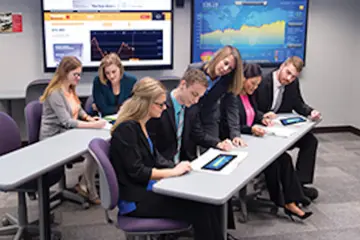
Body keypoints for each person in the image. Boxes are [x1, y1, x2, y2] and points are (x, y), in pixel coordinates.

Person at [109, 77, 225, 240]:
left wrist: (177, 168)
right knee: (200, 209)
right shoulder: (127, 129)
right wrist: (172, 173)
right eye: (160, 104)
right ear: (146, 103)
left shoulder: (140, 124)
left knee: (208, 203)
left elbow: (155, 158)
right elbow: (138, 172)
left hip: (147, 189)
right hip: (135, 200)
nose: (164, 107)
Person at [146, 68, 236, 230]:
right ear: (183, 85)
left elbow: (198, 134)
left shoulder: (192, 107)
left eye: (200, 97)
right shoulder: (159, 107)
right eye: (194, 95)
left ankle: (222, 233)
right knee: (204, 204)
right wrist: (173, 168)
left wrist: (217, 143)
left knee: (219, 190)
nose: (196, 100)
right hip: (164, 168)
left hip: (185, 164)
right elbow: (151, 150)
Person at [220, 63, 312, 221]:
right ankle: (286, 201)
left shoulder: (248, 96)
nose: (255, 88)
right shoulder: (231, 98)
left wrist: (262, 117)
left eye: (257, 84)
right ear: (243, 79)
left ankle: (292, 200)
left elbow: (253, 114)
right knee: (275, 161)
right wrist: (252, 129)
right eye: (253, 83)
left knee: (284, 158)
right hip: (238, 143)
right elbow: (231, 127)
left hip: (251, 140)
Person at [39, 56, 107, 205]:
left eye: (79, 74)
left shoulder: (69, 89)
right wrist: (93, 126)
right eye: (75, 74)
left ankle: (83, 185)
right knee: (92, 152)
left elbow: (78, 109)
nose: (78, 78)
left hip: (68, 134)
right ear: (64, 73)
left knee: (96, 148)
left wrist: (89, 118)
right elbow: (67, 122)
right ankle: (90, 191)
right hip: (54, 138)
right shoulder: (55, 93)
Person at [254, 56, 321, 202]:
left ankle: (299, 184)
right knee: (283, 156)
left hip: (280, 128)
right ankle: (291, 189)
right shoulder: (262, 80)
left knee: (310, 141)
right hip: (260, 128)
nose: (289, 78)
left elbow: (298, 103)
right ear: (282, 66)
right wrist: (263, 116)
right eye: (288, 73)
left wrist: (310, 112)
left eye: (293, 76)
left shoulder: (292, 83)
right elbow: (250, 108)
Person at [187, 45, 246, 156]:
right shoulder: (194, 70)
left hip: (209, 118)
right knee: (190, 156)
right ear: (219, 57)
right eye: (225, 63)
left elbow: (231, 106)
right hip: (190, 116)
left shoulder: (227, 79)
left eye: (230, 69)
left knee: (213, 153)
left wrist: (235, 134)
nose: (225, 69)